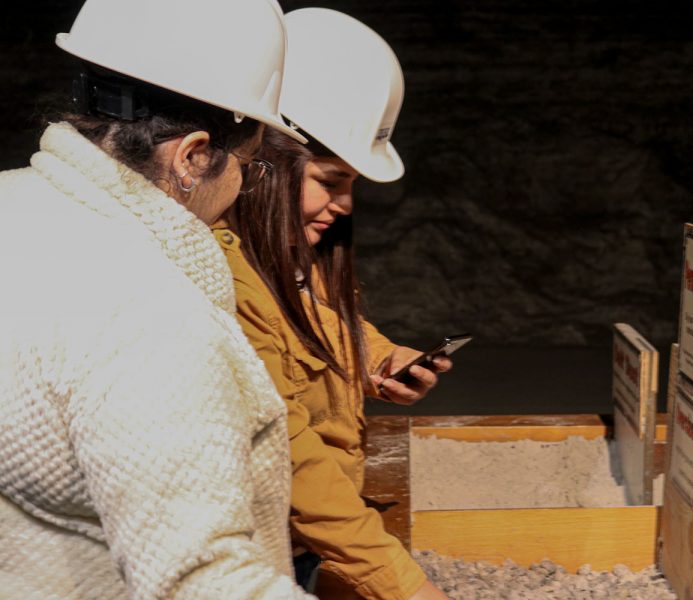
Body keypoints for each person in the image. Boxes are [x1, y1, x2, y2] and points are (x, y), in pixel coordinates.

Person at [0, 1, 317, 598]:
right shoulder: (152, 320)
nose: (245, 184)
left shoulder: (12, 208)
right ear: (193, 157)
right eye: (248, 164)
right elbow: (202, 581)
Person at [215, 8, 451, 600]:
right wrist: (400, 583)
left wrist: (382, 357)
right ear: (266, 163)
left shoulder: (283, 254)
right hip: (263, 551)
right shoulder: (224, 283)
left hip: (302, 544)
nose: (344, 204)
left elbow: (313, 318)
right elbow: (290, 454)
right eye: (332, 179)